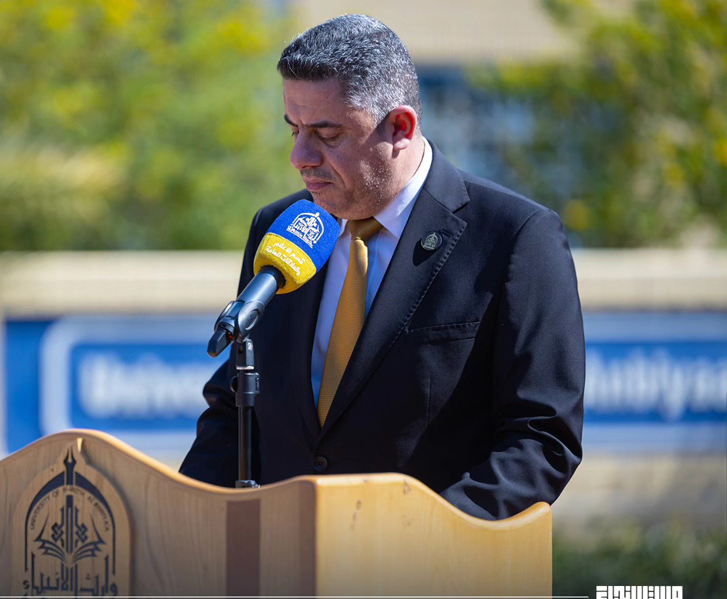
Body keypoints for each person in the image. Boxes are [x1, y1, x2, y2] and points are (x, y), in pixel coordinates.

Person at [180, 14, 584, 523]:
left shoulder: (515, 237)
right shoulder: (280, 230)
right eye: (294, 130)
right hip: (285, 564)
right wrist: (178, 522)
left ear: (400, 128)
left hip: (429, 567)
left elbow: (541, 438)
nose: (300, 157)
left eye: (326, 134)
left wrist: (418, 540)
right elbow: (233, 413)